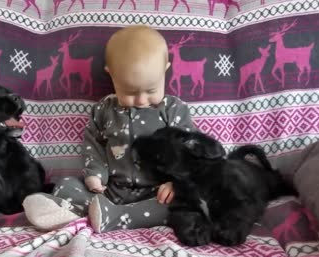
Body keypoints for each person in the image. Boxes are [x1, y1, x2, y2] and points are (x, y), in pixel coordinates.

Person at [23, 25, 197, 233]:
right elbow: (93, 143)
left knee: (183, 204)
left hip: (156, 194)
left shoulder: (173, 109)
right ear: (111, 74)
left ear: (166, 69)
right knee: (66, 183)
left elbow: (189, 149)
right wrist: (94, 175)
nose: (141, 100)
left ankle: (112, 217)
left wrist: (176, 181)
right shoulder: (104, 109)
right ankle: (68, 210)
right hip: (110, 192)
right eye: (129, 92)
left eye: (151, 90)